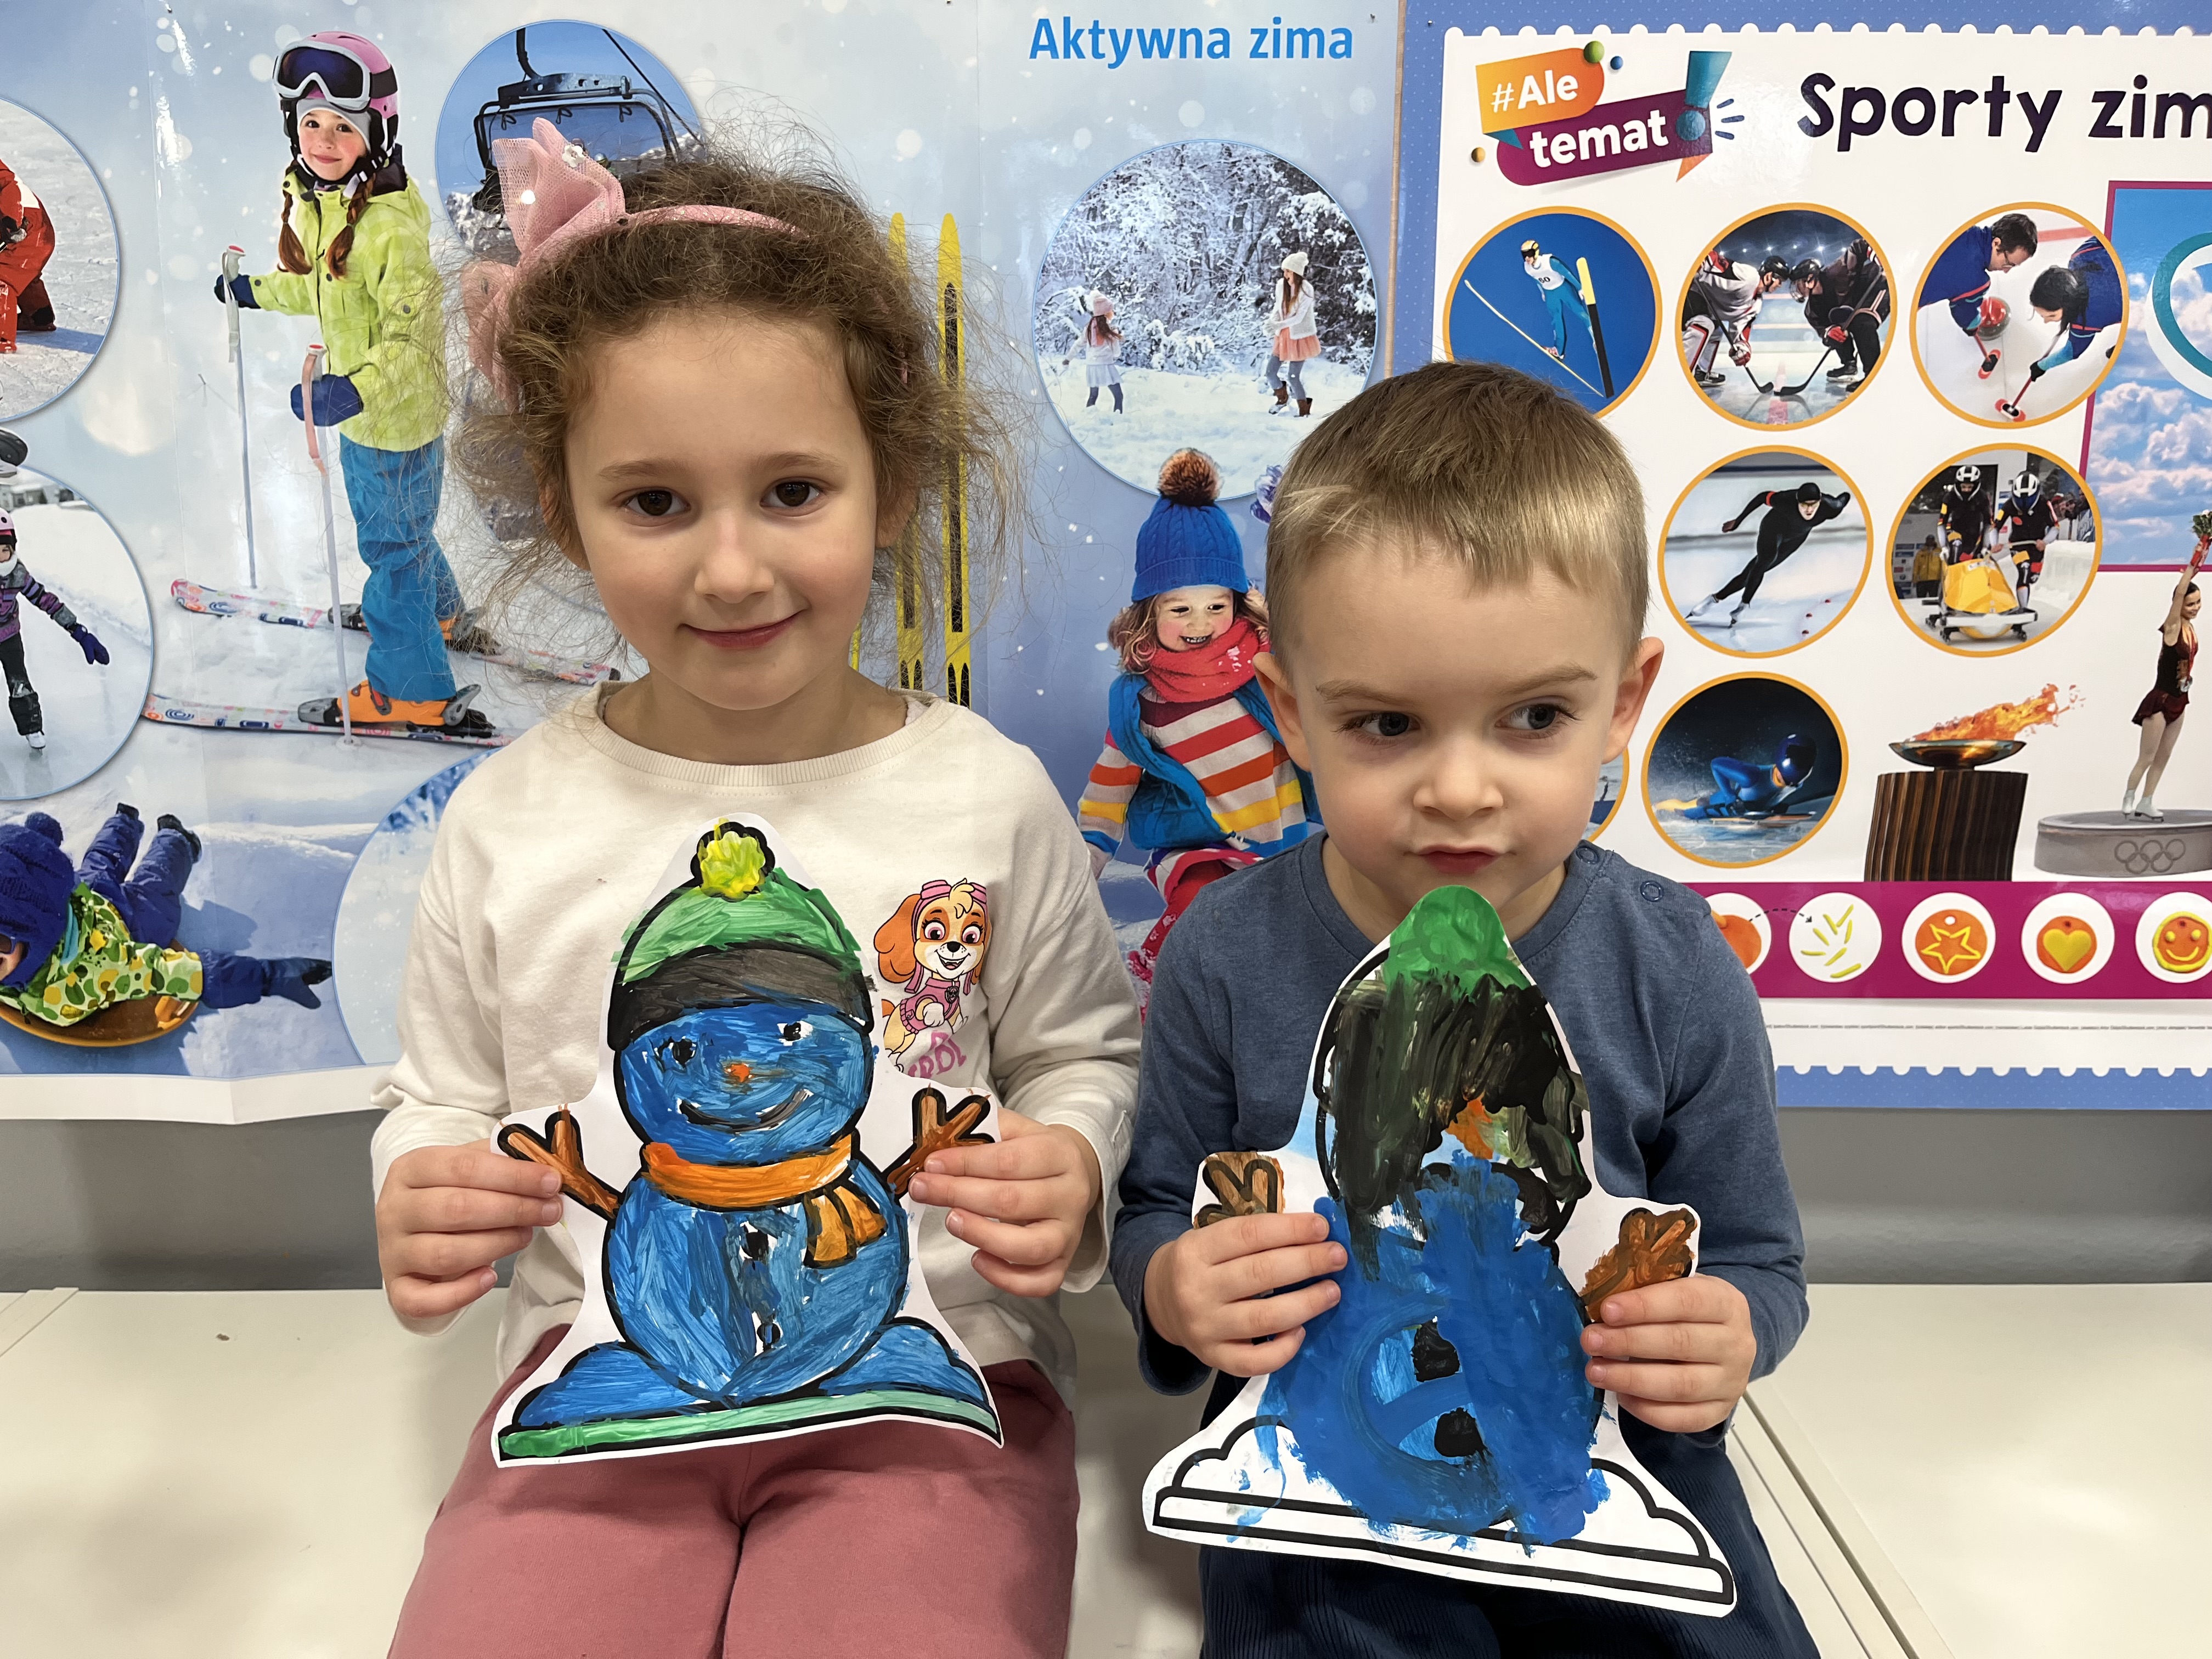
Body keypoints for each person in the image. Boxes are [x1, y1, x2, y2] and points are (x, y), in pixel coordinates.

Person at [372, 120, 1137, 1658]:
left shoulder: (985, 795)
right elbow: (443, 1096)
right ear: (562, 505)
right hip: (598, 1385)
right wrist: (422, 1186)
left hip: (931, 1391)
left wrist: (1072, 1167)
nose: (730, 570)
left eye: (793, 490)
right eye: (654, 503)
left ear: (890, 484)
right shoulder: (507, 820)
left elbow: (1083, 1054)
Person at [1112, 362, 1815, 1654]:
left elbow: (1759, 1257)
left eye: (1533, 717)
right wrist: (1173, 1289)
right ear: (1291, 714)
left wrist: (1730, 1333)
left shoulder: (1674, 964)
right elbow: (1158, 1206)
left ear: (1622, 705)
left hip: (1608, 1461)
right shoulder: (1224, 954)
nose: (1459, 790)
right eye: (1387, 724)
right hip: (1333, 1476)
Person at [213, 32, 484, 737]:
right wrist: (254, 291)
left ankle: (412, 690)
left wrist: (353, 390)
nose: (324, 141)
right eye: (311, 123)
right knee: (406, 532)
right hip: (376, 415)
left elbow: (413, 340)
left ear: (376, 133)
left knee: (391, 549)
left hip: (392, 417)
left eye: (343, 127)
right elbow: (320, 286)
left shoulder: (388, 227)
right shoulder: (332, 202)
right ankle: (440, 616)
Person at [1076, 449, 1317, 996]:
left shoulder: (1265, 667)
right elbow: (1111, 785)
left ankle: (1244, 1008)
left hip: (1276, 842)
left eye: (1215, 606)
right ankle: (1160, 986)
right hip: (1198, 850)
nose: (1201, 623)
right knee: (1202, 906)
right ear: (1149, 612)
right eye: (1180, 609)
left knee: (1265, 946)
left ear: (1238, 602)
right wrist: (1089, 852)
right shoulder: (1144, 704)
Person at [0, 805, 329, 1031]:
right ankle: (124, 821)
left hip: (128, 922)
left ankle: (175, 838)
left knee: (157, 885)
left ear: (33, 935)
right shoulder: (22, 937)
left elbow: (185, 973)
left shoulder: (101, 968)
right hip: (77, 893)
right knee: (101, 862)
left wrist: (270, 977)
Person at [0, 506, 109, 752]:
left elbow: (45, 600)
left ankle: (32, 728)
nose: (1, 557)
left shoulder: (18, 575)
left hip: (9, 636)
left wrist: (78, 630)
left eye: (5, 550)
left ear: (13, 550)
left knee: (19, 683)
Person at [1683, 478, 1853, 628]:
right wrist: (1738, 521)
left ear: (1820, 501)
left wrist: (1842, 497)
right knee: (1764, 562)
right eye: (1804, 505)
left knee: (1752, 573)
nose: (1809, 510)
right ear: (1797, 502)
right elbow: (1762, 497)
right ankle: (1743, 606)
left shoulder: (1831, 507)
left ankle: (1714, 599)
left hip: (1796, 538)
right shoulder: (1785, 500)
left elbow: (1844, 498)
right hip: (1773, 528)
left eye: (1813, 505)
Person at [2004, 239, 2124, 420]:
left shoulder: (2086, 320)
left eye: (2051, 316)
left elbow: (2071, 352)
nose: (2046, 322)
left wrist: (2041, 366)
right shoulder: (2080, 256)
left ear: (2068, 306)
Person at [2124, 547, 2203, 821]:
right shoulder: (2173, 627)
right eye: (2190, 604)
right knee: (2147, 757)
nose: (2195, 608)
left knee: (2163, 758)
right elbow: (2179, 593)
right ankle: (2129, 796)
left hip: (2180, 701)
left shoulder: (2191, 628)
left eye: (2198, 603)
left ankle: (2147, 801)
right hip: (2160, 701)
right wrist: (2194, 563)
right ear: (2179, 605)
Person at [1920, 211, 2039, 380]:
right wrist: (1974, 326)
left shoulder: (1963, 227)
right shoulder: (1976, 281)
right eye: (2008, 264)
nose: (2006, 271)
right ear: (1996, 244)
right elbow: (1964, 314)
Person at [1793, 238, 1888, 389]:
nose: (1797, 289)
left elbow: (1858, 247)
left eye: (1798, 283)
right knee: (1835, 332)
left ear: (1810, 279)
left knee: (1862, 323)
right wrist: (1830, 332)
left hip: (1877, 285)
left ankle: (1873, 375)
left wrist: (1878, 257)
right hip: (1855, 304)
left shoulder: (1837, 271)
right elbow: (1822, 329)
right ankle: (1849, 364)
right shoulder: (1812, 310)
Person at [1681, 251, 1785, 389]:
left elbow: (1740, 330)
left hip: (1704, 307)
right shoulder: (1749, 277)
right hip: (1688, 293)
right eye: (1780, 280)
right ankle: (1680, 373)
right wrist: (1701, 262)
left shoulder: (1756, 304)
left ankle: (1701, 373)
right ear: (1769, 276)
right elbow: (1717, 261)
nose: (1780, 285)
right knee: (1705, 325)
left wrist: (1742, 348)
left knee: (1716, 331)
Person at [0, 150, 58, 352]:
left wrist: (11, 220)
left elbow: (9, 185)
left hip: (27, 227)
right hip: (35, 229)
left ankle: (2, 337)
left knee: (5, 274)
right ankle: (39, 315)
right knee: (22, 272)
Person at [1520, 236, 1593, 368]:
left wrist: (1580, 288)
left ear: (1536, 252)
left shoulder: (1550, 262)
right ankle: (1559, 350)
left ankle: (1595, 339)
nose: (1527, 258)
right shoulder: (1528, 268)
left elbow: (1567, 273)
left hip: (1564, 289)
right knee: (1556, 320)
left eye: (1529, 254)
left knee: (1581, 313)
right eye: (1524, 255)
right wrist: (1543, 292)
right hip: (1550, 293)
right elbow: (1537, 279)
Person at [1266, 250, 1319, 417]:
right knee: (1270, 372)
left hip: (1299, 338)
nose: (1285, 275)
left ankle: (1304, 409)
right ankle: (1282, 399)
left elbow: (1299, 318)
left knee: (1293, 376)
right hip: (1282, 336)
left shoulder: (1306, 289)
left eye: (1288, 271)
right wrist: (1271, 323)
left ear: (1296, 272)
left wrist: (1278, 324)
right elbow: (1278, 308)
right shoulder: (1281, 286)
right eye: (1284, 271)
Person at [1997, 469, 2063, 598]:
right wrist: (1995, 544)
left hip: (2037, 546)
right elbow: (1995, 526)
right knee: (2024, 568)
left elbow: (2055, 527)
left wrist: (2045, 542)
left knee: (2032, 577)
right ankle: (2023, 606)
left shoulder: (2045, 504)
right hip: (2017, 544)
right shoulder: (2009, 505)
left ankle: (2027, 591)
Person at [1071, 289, 1124, 413]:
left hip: (1092, 366)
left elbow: (1079, 344)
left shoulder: (1090, 328)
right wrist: (1114, 355)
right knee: (1119, 396)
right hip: (1106, 366)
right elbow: (1117, 353)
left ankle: (1088, 417)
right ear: (1106, 313)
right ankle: (1118, 418)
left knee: (1093, 396)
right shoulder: (1111, 331)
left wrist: (1068, 359)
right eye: (1111, 311)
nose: (1113, 313)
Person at [1936, 462, 1994, 561]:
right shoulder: (1950, 497)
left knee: (1974, 557)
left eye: (1970, 487)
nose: (1966, 490)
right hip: (1954, 530)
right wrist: (1944, 547)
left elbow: (1988, 523)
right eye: (1963, 487)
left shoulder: (1982, 497)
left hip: (1974, 533)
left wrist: (1985, 546)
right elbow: (1941, 523)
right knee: (1956, 545)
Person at [1911, 533, 1945, 601]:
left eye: (1932, 540)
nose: (1930, 541)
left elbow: (1943, 565)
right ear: (1926, 541)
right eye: (1929, 540)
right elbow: (1916, 565)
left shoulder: (1939, 551)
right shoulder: (1921, 552)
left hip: (1934, 579)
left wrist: (1943, 577)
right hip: (1922, 579)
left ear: (1934, 541)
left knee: (1933, 598)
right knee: (1920, 599)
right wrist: (1915, 577)